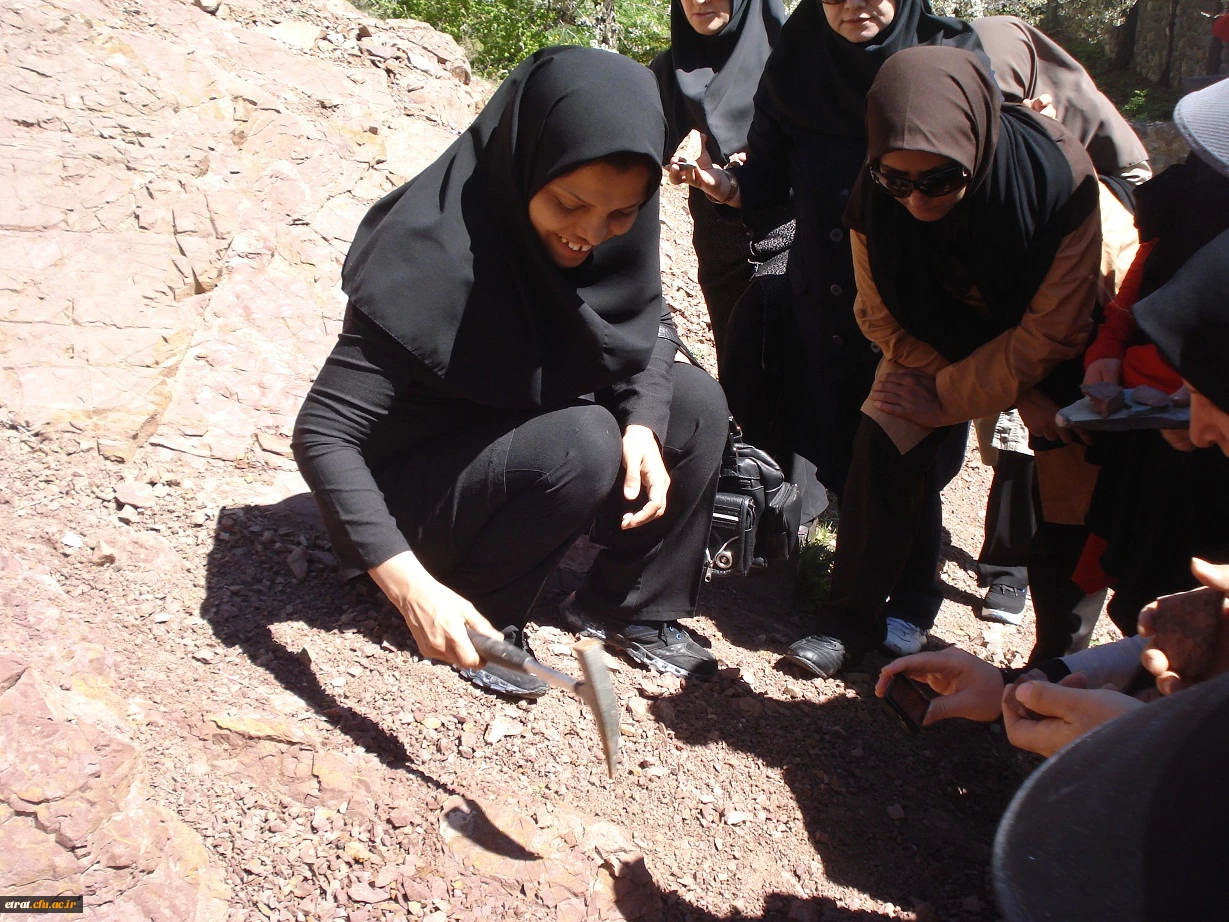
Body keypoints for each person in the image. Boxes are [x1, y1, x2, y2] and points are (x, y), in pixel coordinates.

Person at [292, 47, 729, 700]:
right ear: (527, 162)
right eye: (568, 204)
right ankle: (478, 617)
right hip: (406, 504)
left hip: (512, 446)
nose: (590, 234)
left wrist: (643, 422)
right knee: (585, 439)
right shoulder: (429, 252)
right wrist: (410, 589)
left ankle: (627, 604)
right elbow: (323, 433)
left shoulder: (607, 233)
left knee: (692, 404)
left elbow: (647, 325)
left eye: (620, 214)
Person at [781, 46, 1103, 677]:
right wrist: (953, 394)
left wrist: (965, 394)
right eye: (898, 181)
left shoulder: (1059, 180)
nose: (916, 201)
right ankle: (849, 622)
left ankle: (1057, 670)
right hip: (928, 342)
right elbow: (879, 317)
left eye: (938, 181)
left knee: (1070, 501)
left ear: (977, 147)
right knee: (883, 442)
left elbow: (1055, 328)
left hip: (1057, 347)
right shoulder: (874, 192)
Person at [671, 0, 982, 653]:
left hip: (919, 298)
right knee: (841, 440)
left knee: (908, 448)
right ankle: (849, 593)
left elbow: (983, 183)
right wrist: (722, 185)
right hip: (828, 291)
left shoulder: (950, 57)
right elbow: (766, 181)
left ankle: (906, 603)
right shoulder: (800, 60)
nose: (852, 6)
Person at [969, 14, 1150, 627]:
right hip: (1020, 335)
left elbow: (1120, 258)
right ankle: (1006, 571)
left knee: (1073, 478)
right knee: (1017, 448)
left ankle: (1064, 632)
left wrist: (1053, 151)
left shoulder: (1102, 174)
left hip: (1092, 343)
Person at [1073, 78, 1229, 635]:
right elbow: (1145, 274)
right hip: (1152, 428)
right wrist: (1109, 347)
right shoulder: (1196, 188)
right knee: (1141, 584)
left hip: (1211, 455)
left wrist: (1203, 410)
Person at [649, 0, 786, 352]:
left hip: (794, 235)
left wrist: (764, 162)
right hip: (720, 244)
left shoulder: (794, 61)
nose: (699, 1)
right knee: (739, 359)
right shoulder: (670, 71)